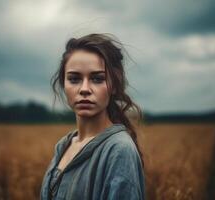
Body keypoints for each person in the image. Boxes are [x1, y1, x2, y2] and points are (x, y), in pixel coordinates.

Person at [40, 33, 146, 200]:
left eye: (97, 79)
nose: (84, 89)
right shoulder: (64, 145)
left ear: (114, 86)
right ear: (63, 83)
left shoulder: (119, 150)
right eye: (74, 79)